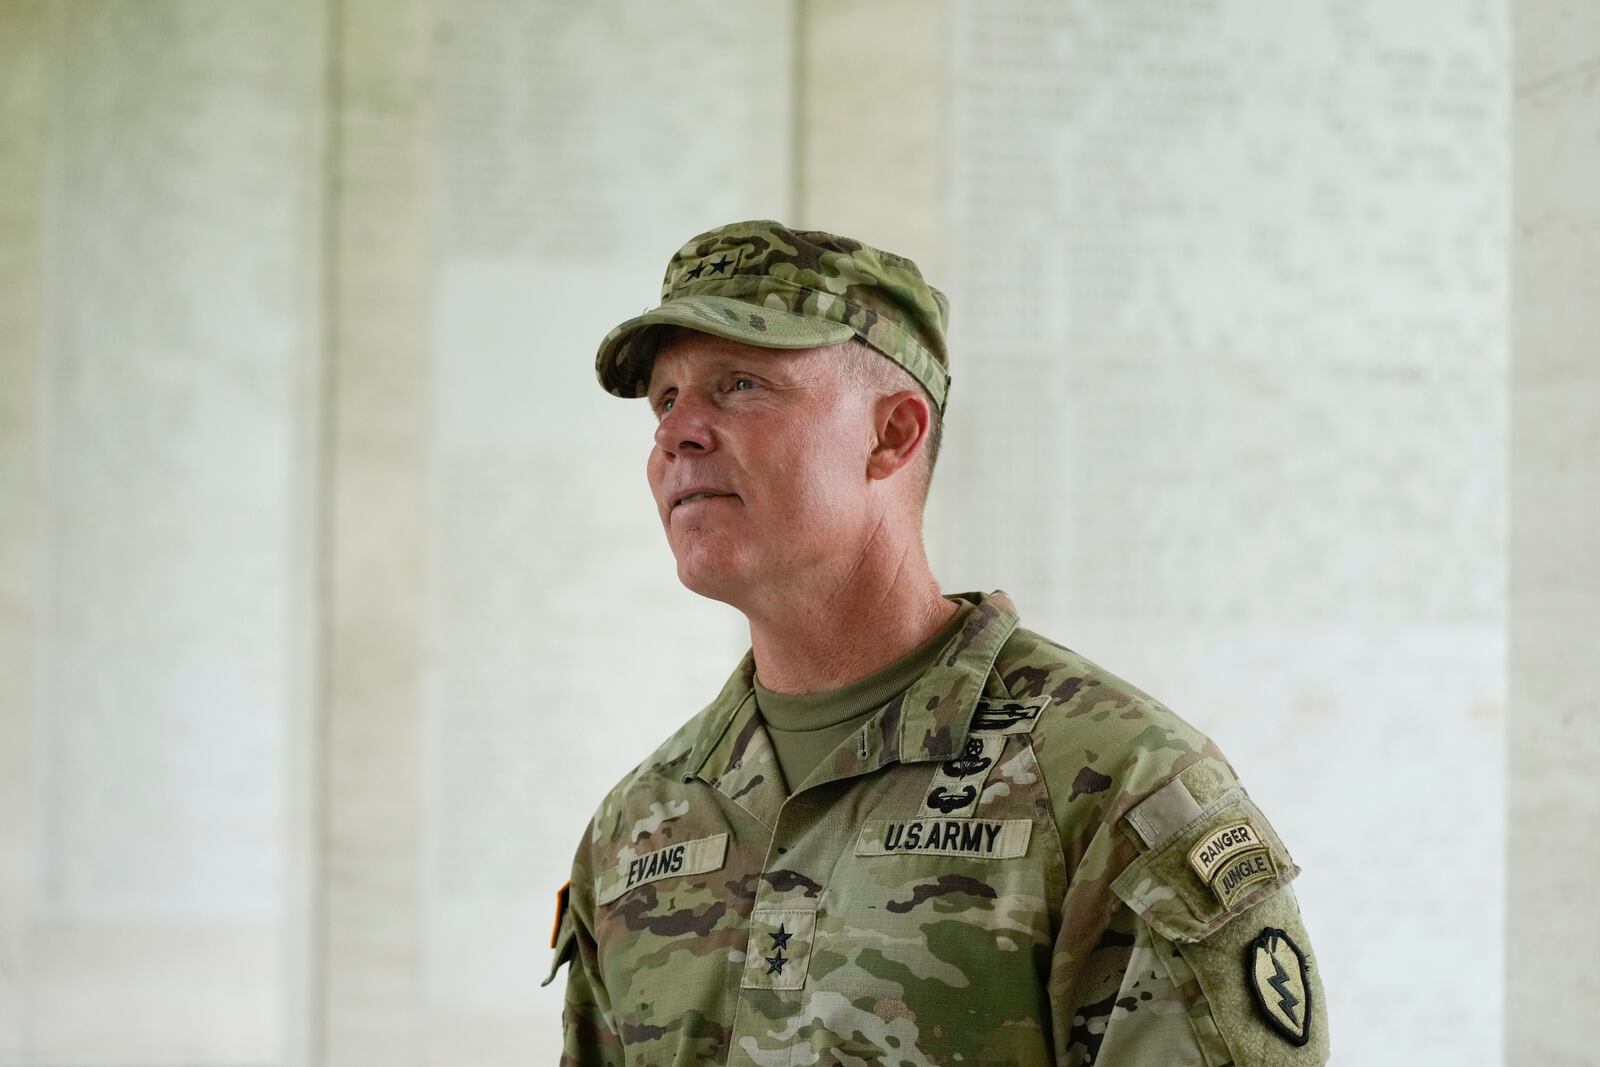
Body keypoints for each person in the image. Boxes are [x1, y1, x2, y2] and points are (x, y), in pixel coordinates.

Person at [545, 219, 1329, 1066]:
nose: (676, 433)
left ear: (893, 434)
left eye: (739, 384)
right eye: (665, 399)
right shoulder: (639, 825)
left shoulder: (1117, 790)